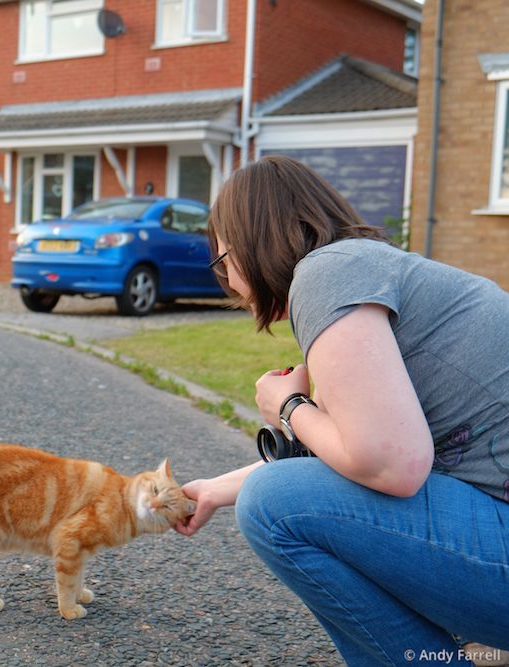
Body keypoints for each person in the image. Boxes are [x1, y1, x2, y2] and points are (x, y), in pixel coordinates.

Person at [173, 156, 509, 664]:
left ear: (247, 245)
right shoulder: (365, 267)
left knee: (271, 505)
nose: (232, 286)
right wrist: (217, 490)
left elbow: (391, 463)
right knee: (275, 493)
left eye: (222, 264)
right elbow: (339, 456)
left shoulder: (326, 276)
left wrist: (286, 406)